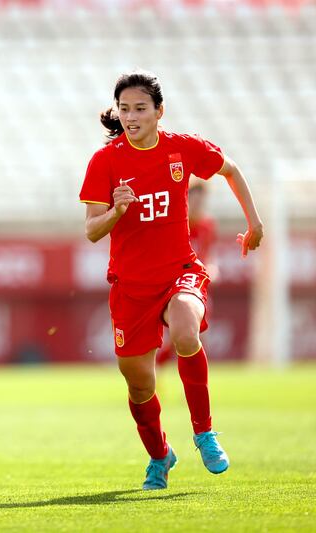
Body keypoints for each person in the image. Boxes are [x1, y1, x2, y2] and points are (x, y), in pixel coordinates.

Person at [79, 70, 263, 490]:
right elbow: (91, 230)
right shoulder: (105, 161)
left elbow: (230, 170)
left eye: (140, 108)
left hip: (180, 271)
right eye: (124, 109)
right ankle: (160, 455)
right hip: (130, 287)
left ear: (160, 111)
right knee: (139, 384)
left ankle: (205, 433)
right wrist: (116, 212)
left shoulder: (182, 150)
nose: (131, 116)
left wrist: (253, 222)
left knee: (184, 329)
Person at [156, 180, 217, 366]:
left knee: (195, 334)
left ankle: (195, 381)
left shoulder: (207, 226)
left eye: (201, 201)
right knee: (183, 334)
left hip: (197, 285)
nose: (198, 205)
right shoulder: (176, 224)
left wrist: (212, 269)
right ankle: (158, 365)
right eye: (194, 200)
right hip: (173, 286)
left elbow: (208, 255)